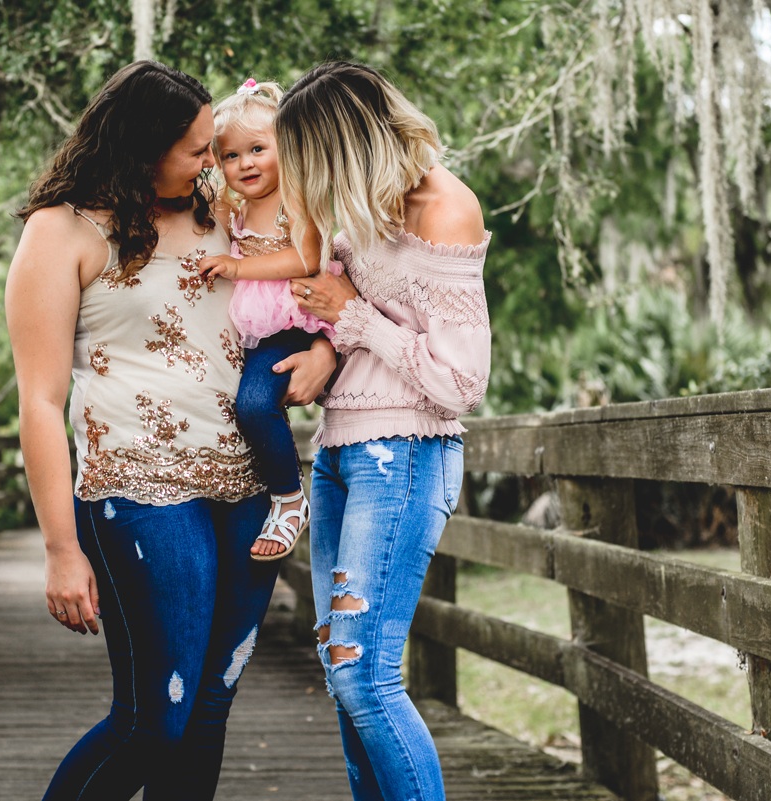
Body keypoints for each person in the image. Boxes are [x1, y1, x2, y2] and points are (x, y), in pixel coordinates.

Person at [5, 60, 336, 801]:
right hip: (140, 491)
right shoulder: (60, 232)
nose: (213, 161)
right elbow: (39, 401)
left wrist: (323, 346)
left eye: (215, 147)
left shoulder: (223, 206)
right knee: (155, 718)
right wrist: (61, 549)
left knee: (211, 706)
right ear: (139, 145)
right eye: (196, 149)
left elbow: (312, 276)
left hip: (249, 486)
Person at [275, 62, 492, 801]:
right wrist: (329, 339)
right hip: (339, 449)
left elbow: (461, 382)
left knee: (365, 673)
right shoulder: (363, 212)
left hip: (405, 453)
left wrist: (354, 318)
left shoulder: (446, 208)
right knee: (343, 671)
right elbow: (343, 310)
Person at [197, 77, 342, 563]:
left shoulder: (295, 198)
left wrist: (240, 267)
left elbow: (306, 257)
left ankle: (288, 496)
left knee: (256, 405)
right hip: (254, 332)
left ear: (286, 147)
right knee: (243, 404)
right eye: (231, 156)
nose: (246, 164)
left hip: (291, 321)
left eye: (258, 149)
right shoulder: (235, 207)